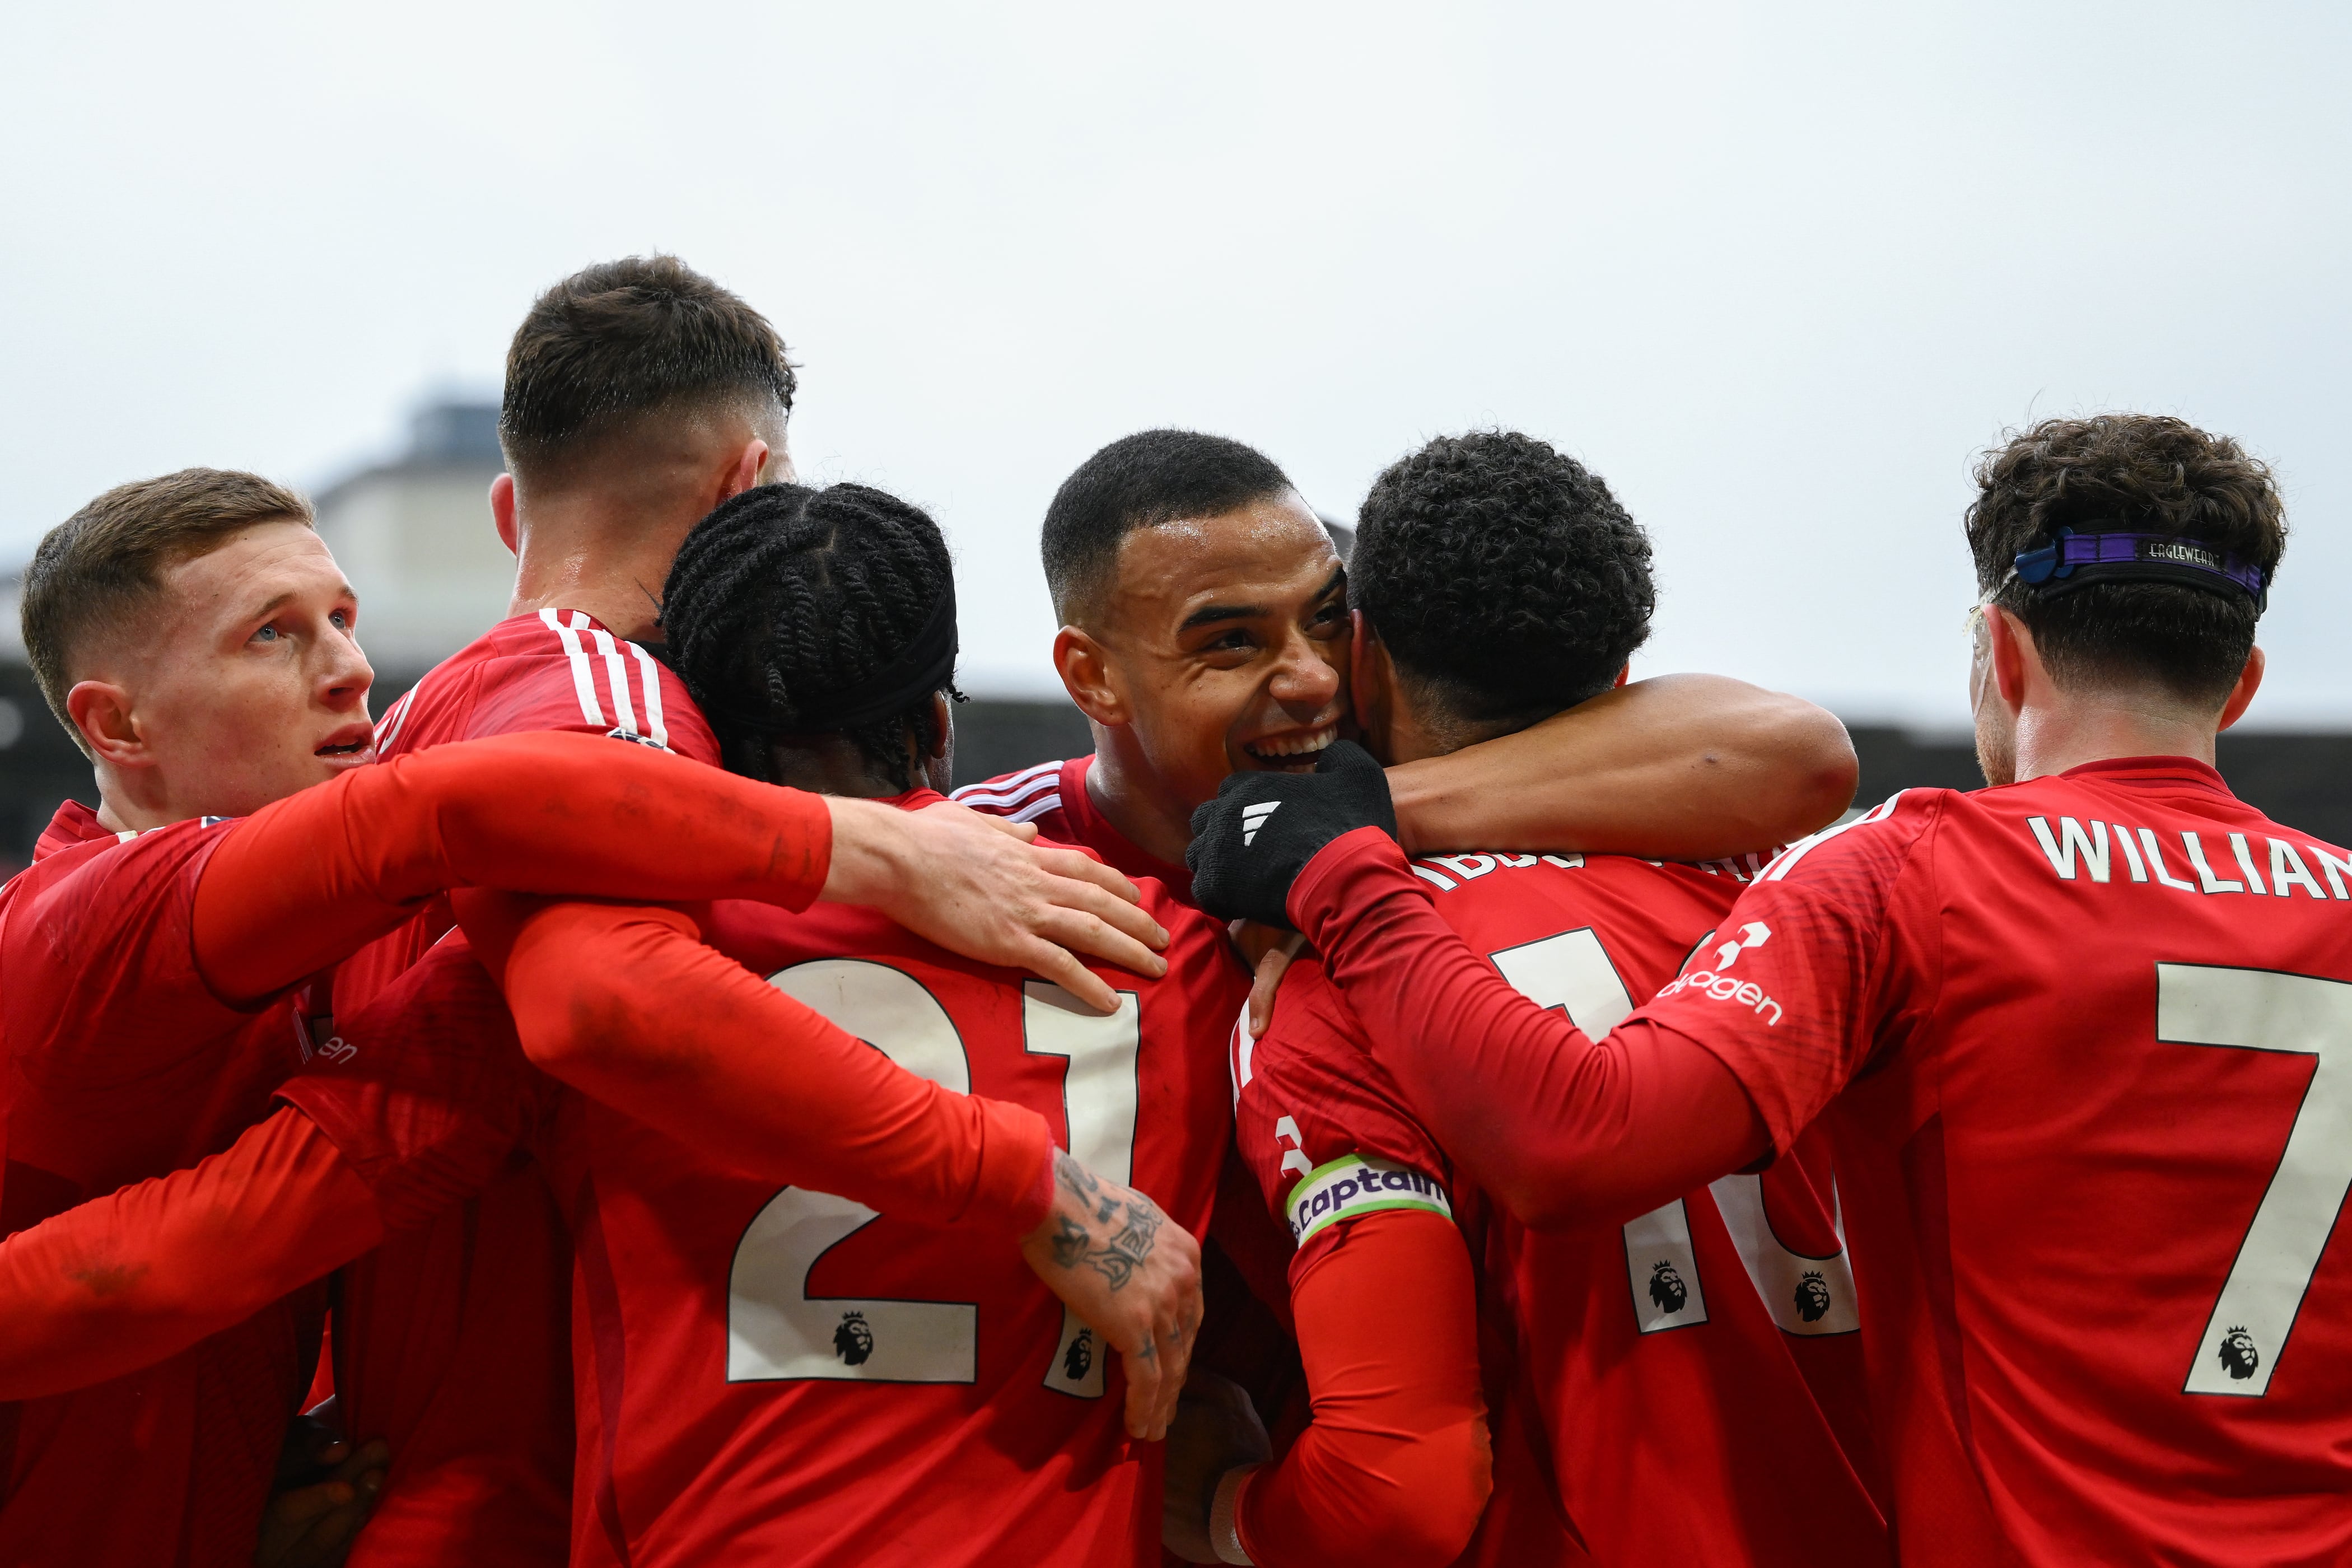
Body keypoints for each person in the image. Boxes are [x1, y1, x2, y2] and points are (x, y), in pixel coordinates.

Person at [0, 482, 1248, 1564]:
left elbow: (246, 1215)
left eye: (343, 618)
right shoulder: (1180, 950)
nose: (350, 669)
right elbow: (452, 831)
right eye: (274, 636)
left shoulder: (584, 944)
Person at [1188, 414, 2351, 1565]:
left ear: (1999, 651)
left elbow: (1411, 1463)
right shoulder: (1785, 858)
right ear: (2242, 680)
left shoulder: (1902, 875)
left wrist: (1346, 874)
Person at [1169, 431, 1885, 1567]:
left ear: (1364, 657)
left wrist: (1219, 1513)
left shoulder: (1325, 975)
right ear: (1621, 671)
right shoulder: (1805, 884)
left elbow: (1398, 1489)